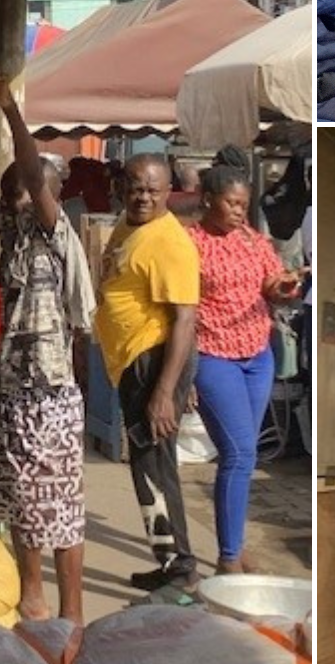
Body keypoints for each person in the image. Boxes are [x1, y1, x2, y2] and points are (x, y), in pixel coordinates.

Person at [0, 75, 95, 627]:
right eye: (10, 188)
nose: (15, 196)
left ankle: (66, 610)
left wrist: (11, 111)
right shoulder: (14, 231)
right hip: (15, 389)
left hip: (49, 392)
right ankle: (34, 597)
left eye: (23, 188)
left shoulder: (53, 230)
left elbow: (33, 175)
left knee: (56, 504)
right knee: (18, 497)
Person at [185, 166, 303, 575]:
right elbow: (176, 312)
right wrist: (181, 375)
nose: (238, 211)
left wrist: (286, 287)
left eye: (242, 204)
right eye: (230, 203)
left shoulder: (254, 240)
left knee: (243, 457)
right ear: (207, 199)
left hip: (257, 355)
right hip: (212, 355)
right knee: (239, 452)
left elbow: (271, 285)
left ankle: (232, 543)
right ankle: (229, 556)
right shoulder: (189, 243)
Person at [98, 153, 201, 591]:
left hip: (153, 361)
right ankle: (168, 563)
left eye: (152, 191)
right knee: (147, 467)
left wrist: (167, 390)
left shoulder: (169, 242)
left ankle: (182, 573)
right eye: (136, 188)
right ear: (124, 188)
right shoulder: (129, 226)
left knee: (155, 468)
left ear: (167, 193)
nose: (143, 197)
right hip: (136, 363)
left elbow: (185, 319)